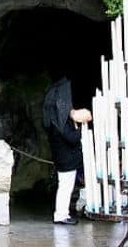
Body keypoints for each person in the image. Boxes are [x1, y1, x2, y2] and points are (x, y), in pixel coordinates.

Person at [43, 78, 92, 225]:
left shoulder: (54, 120)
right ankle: (61, 215)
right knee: (65, 188)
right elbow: (71, 138)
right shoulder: (60, 123)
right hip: (66, 161)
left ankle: (62, 214)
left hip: (63, 160)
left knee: (65, 187)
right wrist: (83, 128)